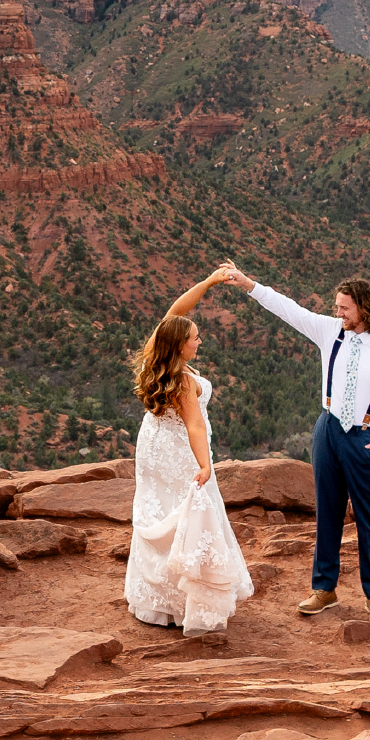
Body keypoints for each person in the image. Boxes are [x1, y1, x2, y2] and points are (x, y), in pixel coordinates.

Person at [217, 264, 370, 619]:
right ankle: (324, 590)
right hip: (327, 431)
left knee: (369, 519)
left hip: (367, 438)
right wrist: (250, 285)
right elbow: (289, 309)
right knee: (326, 513)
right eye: (337, 306)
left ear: (364, 309)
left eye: (344, 308)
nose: (337, 312)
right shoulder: (330, 331)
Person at [124, 266, 253, 636]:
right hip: (180, 451)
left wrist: (210, 282)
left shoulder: (157, 356)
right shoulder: (182, 380)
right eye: (195, 338)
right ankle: (184, 604)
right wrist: (205, 464)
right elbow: (195, 425)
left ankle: (155, 601)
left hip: (152, 450)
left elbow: (176, 311)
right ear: (180, 345)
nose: (200, 342)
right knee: (188, 514)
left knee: (157, 510)